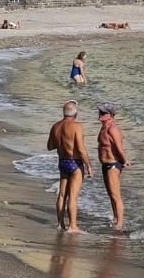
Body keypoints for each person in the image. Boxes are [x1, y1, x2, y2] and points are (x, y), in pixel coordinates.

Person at [47, 100, 92, 233]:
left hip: (62, 162)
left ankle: (60, 224)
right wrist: (88, 165)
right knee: (73, 196)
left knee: (62, 194)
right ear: (75, 113)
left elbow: (50, 146)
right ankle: (73, 226)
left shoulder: (55, 126)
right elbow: (81, 149)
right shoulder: (77, 126)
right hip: (74, 162)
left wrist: (62, 144)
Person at [96, 104, 131, 231]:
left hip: (113, 164)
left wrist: (125, 160)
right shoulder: (103, 128)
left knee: (116, 195)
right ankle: (116, 219)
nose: (100, 114)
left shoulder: (113, 129)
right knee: (111, 195)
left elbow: (118, 147)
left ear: (111, 116)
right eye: (100, 111)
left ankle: (120, 224)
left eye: (103, 113)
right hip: (105, 164)